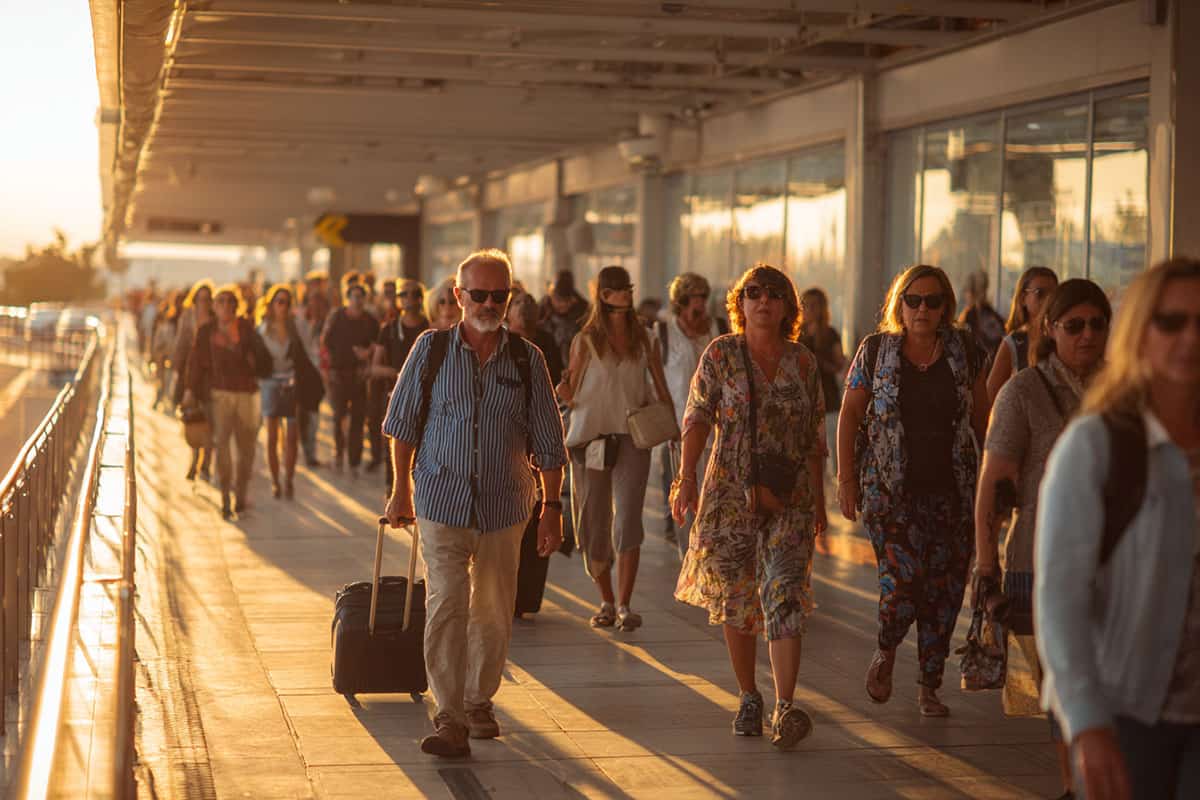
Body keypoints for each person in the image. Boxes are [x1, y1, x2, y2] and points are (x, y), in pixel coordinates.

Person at [382, 249, 566, 758]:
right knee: (445, 603)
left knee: (492, 608)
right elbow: (401, 424)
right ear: (458, 297)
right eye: (478, 294)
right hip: (441, 499)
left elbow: (550, 441)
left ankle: (478, 700)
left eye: (498, 295)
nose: (489, 303)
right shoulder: (430, 349)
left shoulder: (528, 360)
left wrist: (552, 508)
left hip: (506, 507)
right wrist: (400, 489)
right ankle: (449, 714)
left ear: (510, 298)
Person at [1036, 258, 1200, 800]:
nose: (1190, 338)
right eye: (1171, 322)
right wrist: (1086, 723)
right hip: (1129, 718)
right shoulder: (1097, 447)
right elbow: (1060, 598)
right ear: (1138, 333)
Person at [671, 264, 827, 749]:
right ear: (740, 303)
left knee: (783, 592)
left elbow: (814, 437)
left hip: (791, 497)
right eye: (754, 293)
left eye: (774, 294)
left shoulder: (803, 363)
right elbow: (697, 417)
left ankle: (785, 706)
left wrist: (821, 502)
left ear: (787, 307)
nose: (764, 301)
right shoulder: (721, 355)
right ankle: (748, 696)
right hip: (727, 493)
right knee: (737, 598)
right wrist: (686, 478)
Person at [974, 279, 1110, 799]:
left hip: (1117, 565)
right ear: (1049, 330)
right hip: (1041, 562)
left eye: (1097, 324)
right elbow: (993, 486)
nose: (1087, 335)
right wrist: (987, 570)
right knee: (1065, 691)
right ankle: (1077, 786)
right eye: (1074, 325)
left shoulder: (1124, 390)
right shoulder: (1024, 392)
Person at [837, 264, 989, 717]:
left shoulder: (966, 351)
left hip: (953, 493)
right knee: (902, 583)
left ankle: (928, 685)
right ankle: (886, 648)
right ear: (899, 304)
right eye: (914, 300)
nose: (923, 309)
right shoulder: (875, 351)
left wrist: (995, 485)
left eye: (933, 301)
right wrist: (845, 479)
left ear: (946, 307)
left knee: (943, 594)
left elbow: (984, 418)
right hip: (891, 493)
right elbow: (848, 415)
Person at [557, 266, 672, 632]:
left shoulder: (646, 338)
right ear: (603, 295)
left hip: (631, 437)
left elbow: (660, 384)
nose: (624, 294)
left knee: (627, 519)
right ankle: (605, 600)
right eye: (616, 290)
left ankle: (624, 604)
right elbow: (569, 391)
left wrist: (676, 427)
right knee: (593, 522)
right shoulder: (586, 340)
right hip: (591, 437)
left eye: (627, 289)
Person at [657, 272, 727, 559]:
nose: (698, 306)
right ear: (680, 303)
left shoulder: (719, 329)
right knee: (682, 490)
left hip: (717, 429)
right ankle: (687, 551)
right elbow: (656, 380)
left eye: (702, 298)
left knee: (714, 496)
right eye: (691, 299)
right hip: (677, 426)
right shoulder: (663, 333)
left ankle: (707, 549)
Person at [184, 285, 263, 520]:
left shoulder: (246, 328)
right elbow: (196, 362)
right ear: (214, 306)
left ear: (236, 306)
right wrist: (190, 390)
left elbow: (261, 358)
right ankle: (226, 498)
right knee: (222, 445)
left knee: (247, 448)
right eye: (221, 301)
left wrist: (252, 361)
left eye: (230, 302)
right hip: (219, 394)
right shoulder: (206, 331)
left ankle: (241, 494)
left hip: (247, 394)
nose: (226, 306)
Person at [256, 286, 322, 500]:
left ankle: (289, 479)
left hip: (292, 383)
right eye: (279, 301)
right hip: (269, 384)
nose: (283, 306)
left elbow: (309, 351)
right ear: (271, 304)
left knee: (292, 437)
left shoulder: (297, 327)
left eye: (286, 302)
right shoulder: (263, 329)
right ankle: (275, 481)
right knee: (272, 436)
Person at [372, 278, 429, 489]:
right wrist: (401, 374)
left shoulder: (429, 328)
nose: (409, 299)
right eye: (403, 294)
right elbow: (374, 367)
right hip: (394, 396)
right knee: (394, 450)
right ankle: (393, 494)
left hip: (425, 397)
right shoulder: (389, 329)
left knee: (422, 451)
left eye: (414, 294)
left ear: (421, 299)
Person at [321, 281, 379, 475]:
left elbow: (378, 344)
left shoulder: (370, 320)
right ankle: (338, 453)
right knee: (339, 417)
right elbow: (325, 342)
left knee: (357, 419)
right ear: (348, 298)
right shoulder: (337, 316)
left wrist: (367, 353)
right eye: (354, 296)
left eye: (361, 297)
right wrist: (326, 369)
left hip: (359, 376)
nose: (358, 300)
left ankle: (354, 461)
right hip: (338, 374)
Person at [987, 266, 1059, 402]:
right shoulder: (1014, 343)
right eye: (1040, 293)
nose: (1048, 300)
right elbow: (990, 397)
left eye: (1053, 294)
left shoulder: (1064, 336)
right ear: (1023, 298)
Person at [798, 287, 846, 477]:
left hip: (829, 400)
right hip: (805, 402)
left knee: (831, 454)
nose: (809, 310)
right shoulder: (797, 334)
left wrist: (819, 361)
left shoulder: (830, 334)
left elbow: (839, 363)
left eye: (813, 306)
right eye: (806, 305)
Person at [173, 279, 216, 482]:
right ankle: (194, 460)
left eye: (208, 299)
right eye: (201, 299)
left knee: (209, 421)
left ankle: (205, 464)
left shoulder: (215, 319)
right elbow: (181, 342)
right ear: (195, 300)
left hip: (211, 376)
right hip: (190, 374)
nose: (204, 303)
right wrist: (176, 369)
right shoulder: (187, 317)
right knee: (192, 420)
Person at [295, 275, 330, 467]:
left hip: (317, 374)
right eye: (312, 301)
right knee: (302, 413)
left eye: (319, 302)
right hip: (301, 372)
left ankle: (311, 451)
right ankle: (306, 450)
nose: (315, 306)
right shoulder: (299, 320)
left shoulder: (327, 323)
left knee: (314, 413)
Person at [366, 280, 400, 474]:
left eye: (392, 292)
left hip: (391, 372)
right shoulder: (375, 313)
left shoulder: (400, 316)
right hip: (377, 373)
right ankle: (375, 455)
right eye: (386, 291)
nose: (389, 295)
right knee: (374, 418)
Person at [506, 291, 563, 386]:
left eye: (529, 302)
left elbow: (557, 378)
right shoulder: (502, 342)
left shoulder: (547, 341)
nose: (524, 305)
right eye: (517, 302)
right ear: (508, 313)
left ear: (537, 311)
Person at [540, 270, 589, 369]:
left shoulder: (583, 311)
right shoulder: (542, 310)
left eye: (566, 300)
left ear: (573, 300)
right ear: (552, 296)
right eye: (558, 299)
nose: (562, 305)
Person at [958, 269, 1006, 358]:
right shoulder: (970, 316)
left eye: (984, 287)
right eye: (981, 288)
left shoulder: (988, 313)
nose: (983, 293)